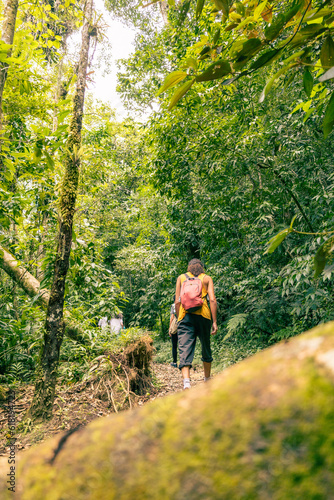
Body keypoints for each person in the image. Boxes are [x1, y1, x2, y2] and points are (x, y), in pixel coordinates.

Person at [175, 258, 218, 390]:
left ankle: (187, 384)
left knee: (184, 349)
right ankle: (207, 380)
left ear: (189, 267)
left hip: (185, 316)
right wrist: (214, 321)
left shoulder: (181, 278)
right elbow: (212, 299)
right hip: (203, 316)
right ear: (202, 267)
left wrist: (178, 318)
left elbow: (177, 301)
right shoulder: (206, 278)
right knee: (206, 346)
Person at [169, 295, 178, 368]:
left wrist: (170, 328)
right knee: (183, 345)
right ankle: (184, 361)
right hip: (183, 327)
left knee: (174, 345)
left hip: (175, 328)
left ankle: (175, 362)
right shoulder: (183, 305)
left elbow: (172, 317)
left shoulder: (173, 306)